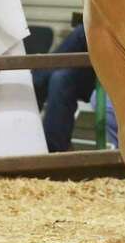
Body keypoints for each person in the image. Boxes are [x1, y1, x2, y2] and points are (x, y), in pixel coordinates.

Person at [31, 24, 98, 152]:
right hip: (98, 69)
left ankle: (35, 85)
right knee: (60, 79)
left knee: (85, 29)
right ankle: (54, 153)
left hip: (121, 75)